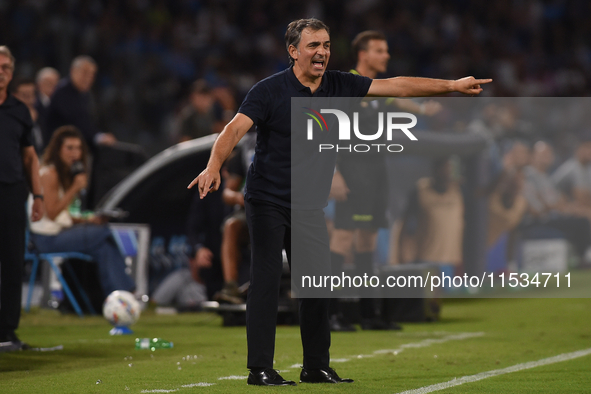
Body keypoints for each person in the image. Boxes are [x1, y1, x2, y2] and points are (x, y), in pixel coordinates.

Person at [188, 18, 491, 386]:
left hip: (308, 204)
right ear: (293, 51)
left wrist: (451, 86)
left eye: (327, 45)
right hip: (267, 198)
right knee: (265, 282)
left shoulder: (340, 84)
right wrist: (213, 166)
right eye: (314, 45)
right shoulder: (268, 91)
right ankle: (260, 369)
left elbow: (396, 85)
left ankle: (315, 366)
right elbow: (233, 129)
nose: (322, 52)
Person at [329, 31, 441, 332]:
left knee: (367, 239)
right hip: (351, 174)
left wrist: (422, 108)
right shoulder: (347, 86)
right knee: (342, 239)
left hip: (375, 173)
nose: (386, 56)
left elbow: (400, 99)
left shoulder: (376, 89)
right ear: (363, 55)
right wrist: (334, 174)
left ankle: (369, 315)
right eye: (380, 50)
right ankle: (330, 314)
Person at [29, 125, 135, 299]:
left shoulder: (63, 174)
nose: (75, 153)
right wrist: (74, 188)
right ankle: (127, 292)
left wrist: (88, 220)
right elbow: (52, 213)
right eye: (69, 148)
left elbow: (62, 217)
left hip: (59, 233)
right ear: (57, 150)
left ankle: (118, 297)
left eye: (78, 148)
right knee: (104, 232)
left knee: (104, 248)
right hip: (45, 240)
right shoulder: (48, 174)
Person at [0, 45, 44, 352]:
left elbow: (30, 158)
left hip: (12, 192)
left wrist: (38, 195)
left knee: (13, 262)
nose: (0, 71)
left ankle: (7, 332)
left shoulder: (19, 111)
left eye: (5, 67)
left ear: (11, 74)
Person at [44, 56, 116, 150]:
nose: (89, 77)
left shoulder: (85, 94)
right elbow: (76, 122)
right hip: (58, 149)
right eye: (85, 72)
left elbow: (90, 120)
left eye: (92, 74)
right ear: (73, 71)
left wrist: (102, 134)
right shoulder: (62, 91)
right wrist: (98, 137)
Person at [12, 78, 44, 154]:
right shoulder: (8, 118)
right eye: (24, 95)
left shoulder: (40, 114)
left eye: (32, 95)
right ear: (14, 96)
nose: (29, 100)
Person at [34, 67, 60, 145]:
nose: (51, 85)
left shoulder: (61, 104)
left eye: (54, 82)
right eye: (47, 82)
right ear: (38, 84)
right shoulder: (33, 104)